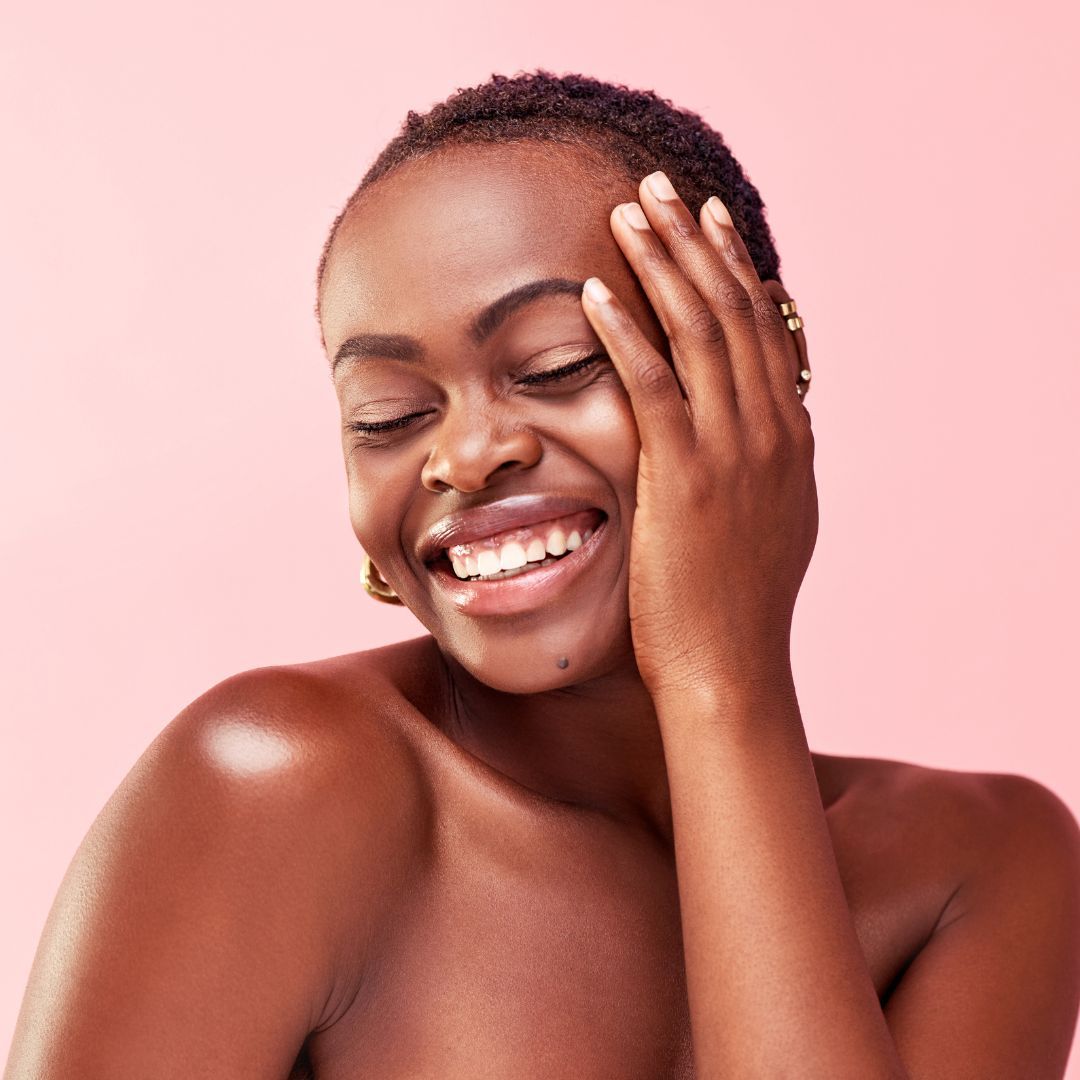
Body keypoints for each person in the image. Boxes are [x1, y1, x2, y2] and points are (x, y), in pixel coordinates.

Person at [6, 70, 1080, 1080]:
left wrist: (721, 680)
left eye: (558, 365)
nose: (463, 457)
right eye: (388, 415)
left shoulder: (980, 865)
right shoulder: (281, 784)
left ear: (764, 368)